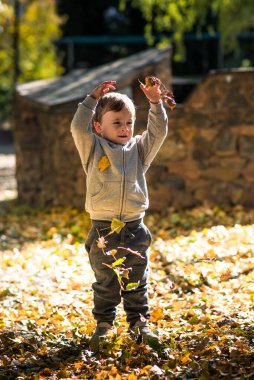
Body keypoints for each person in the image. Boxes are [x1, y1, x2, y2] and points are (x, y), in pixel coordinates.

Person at [70, 78, 168, 351]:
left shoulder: (139, 150)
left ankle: (139, 323)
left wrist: (155, 103)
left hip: (135, 228)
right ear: (99, 126)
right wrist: (91, 98)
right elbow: (78, 126)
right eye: (117, 123)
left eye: (129, 122)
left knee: (136, 279)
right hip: (103, 231)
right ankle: (104, 325)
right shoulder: (93, 148)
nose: (125, 128)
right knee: (106, 281)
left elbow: (158, 132)